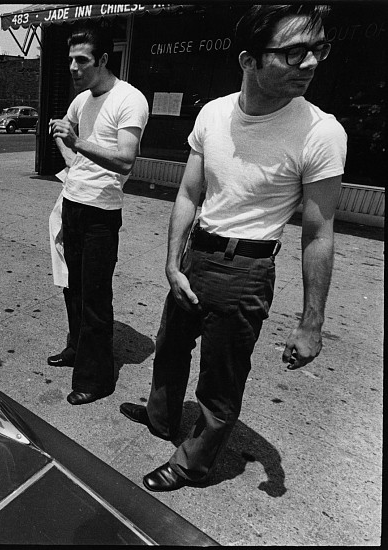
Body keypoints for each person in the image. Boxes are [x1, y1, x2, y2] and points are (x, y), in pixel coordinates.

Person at [120, 4, 346, 492]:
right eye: (293, 52)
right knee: (170, 347)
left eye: (318, 50)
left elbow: (319, 233)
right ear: (249, 60)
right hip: (196, 254)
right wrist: (172, 262)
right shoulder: (213, 113)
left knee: (221, 378)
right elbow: (188, 193)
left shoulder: (321, 132)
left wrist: (312, 323)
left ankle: (192, 463)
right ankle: (161, 417)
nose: (309, 63)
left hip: (246, 268)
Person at [47, 26, 149, 406]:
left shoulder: (129, 99)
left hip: (101, 214)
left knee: (95, 294)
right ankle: (76, 348)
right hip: (72, 203)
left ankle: (96, 378)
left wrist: (76, 144)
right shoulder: (83, 100)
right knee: (72, 286)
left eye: (82, 61)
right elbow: (63, 128)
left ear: (104, 60)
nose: (74, 68)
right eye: (70, 60)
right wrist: (70, 155)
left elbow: (125, 158)